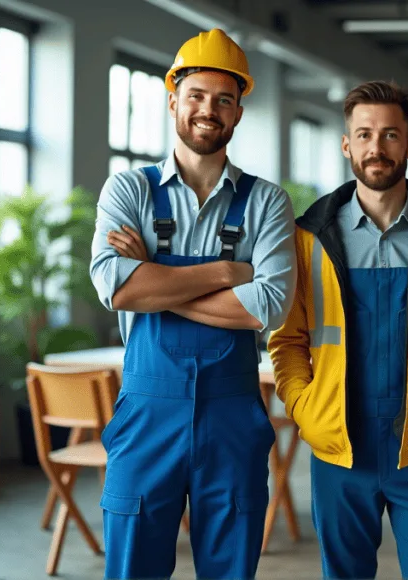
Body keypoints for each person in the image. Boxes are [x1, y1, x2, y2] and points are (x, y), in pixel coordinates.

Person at [88, 28, 296, 580]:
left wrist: (157, 280)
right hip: (147, 414)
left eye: (224, 99)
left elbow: (267, 307)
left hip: (233, 416)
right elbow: (118, 289)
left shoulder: (267, 201)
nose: (209, 109)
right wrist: (227, 273)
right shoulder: (128, 191)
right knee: (133, 567)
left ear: (238, 112)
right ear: (173, 101)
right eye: (197, 96)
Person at [267, 80, 408, 579]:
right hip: (339, 449)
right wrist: (304, 407)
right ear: (347, 144)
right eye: (364, 135)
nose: (376, 147)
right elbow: (287, 339)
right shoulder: (307, 240)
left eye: (389, 135)